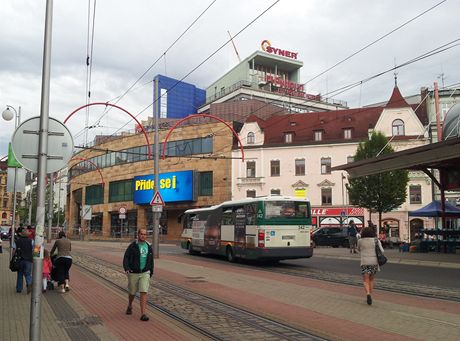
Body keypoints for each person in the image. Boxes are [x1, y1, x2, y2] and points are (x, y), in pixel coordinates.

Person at [123, 228, 154, 322]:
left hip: (145, 272)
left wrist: (151, 271)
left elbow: (151, 260)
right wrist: (127, 268)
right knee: (132, 292)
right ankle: (129, 305)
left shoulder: (149, 246)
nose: (143, 236)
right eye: (141, 234)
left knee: (143, 291)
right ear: (138, 235)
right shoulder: (133, 246)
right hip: (134, 272)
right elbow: (126, 258)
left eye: (145, 234)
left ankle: (143, 314)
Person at [357, 227, 384, 306]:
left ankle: (368, 294)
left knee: (365, 279)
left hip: (364, 262)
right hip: (374, 262)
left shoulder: (360, 241)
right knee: (371, 279)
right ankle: (370, 295)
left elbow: (358, 250)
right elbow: (382, 251)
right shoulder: (376, 240)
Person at [13, 227, 33, 294]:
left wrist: (13, 257)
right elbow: (35, 251)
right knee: (28, 274)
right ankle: (29, 284)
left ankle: (19, 289)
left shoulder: (17, 241)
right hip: (29, 260)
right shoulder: (31, 241)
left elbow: (14, 250)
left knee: (20, 274)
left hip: (20, 260)